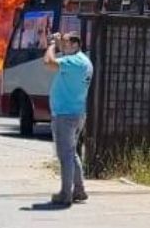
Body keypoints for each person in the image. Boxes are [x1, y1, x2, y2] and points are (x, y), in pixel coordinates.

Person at [43, 31, 93, 208]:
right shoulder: (84, 61)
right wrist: (60, 46)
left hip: (65, 115)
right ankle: (79, 189)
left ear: (75, 44)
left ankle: (65, 194)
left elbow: (48, 62)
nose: (62, 46)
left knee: (65, 156)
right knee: (72, 153)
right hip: (78, 113)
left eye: (65, 43)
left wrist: (52, 45)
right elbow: (64, 61)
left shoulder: (73, 62)